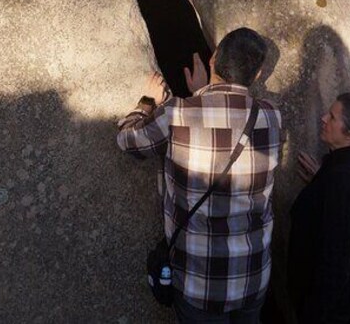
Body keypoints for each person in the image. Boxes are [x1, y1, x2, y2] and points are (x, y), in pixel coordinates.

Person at [117, 27, 283, 323]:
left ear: (213, 59)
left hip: (199, 282)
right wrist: (200, 95)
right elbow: (225, 129)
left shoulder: (176, 114)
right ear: (257, 76)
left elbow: (128, 142)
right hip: (252, 275)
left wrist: (147, 101)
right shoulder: (271, 117)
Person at [287, 93, 350, 323]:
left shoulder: (342, 182)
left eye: (332, 117)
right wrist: (321, 183)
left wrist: (312, 315)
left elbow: (334, 263)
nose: (323, 118)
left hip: (328, 309)